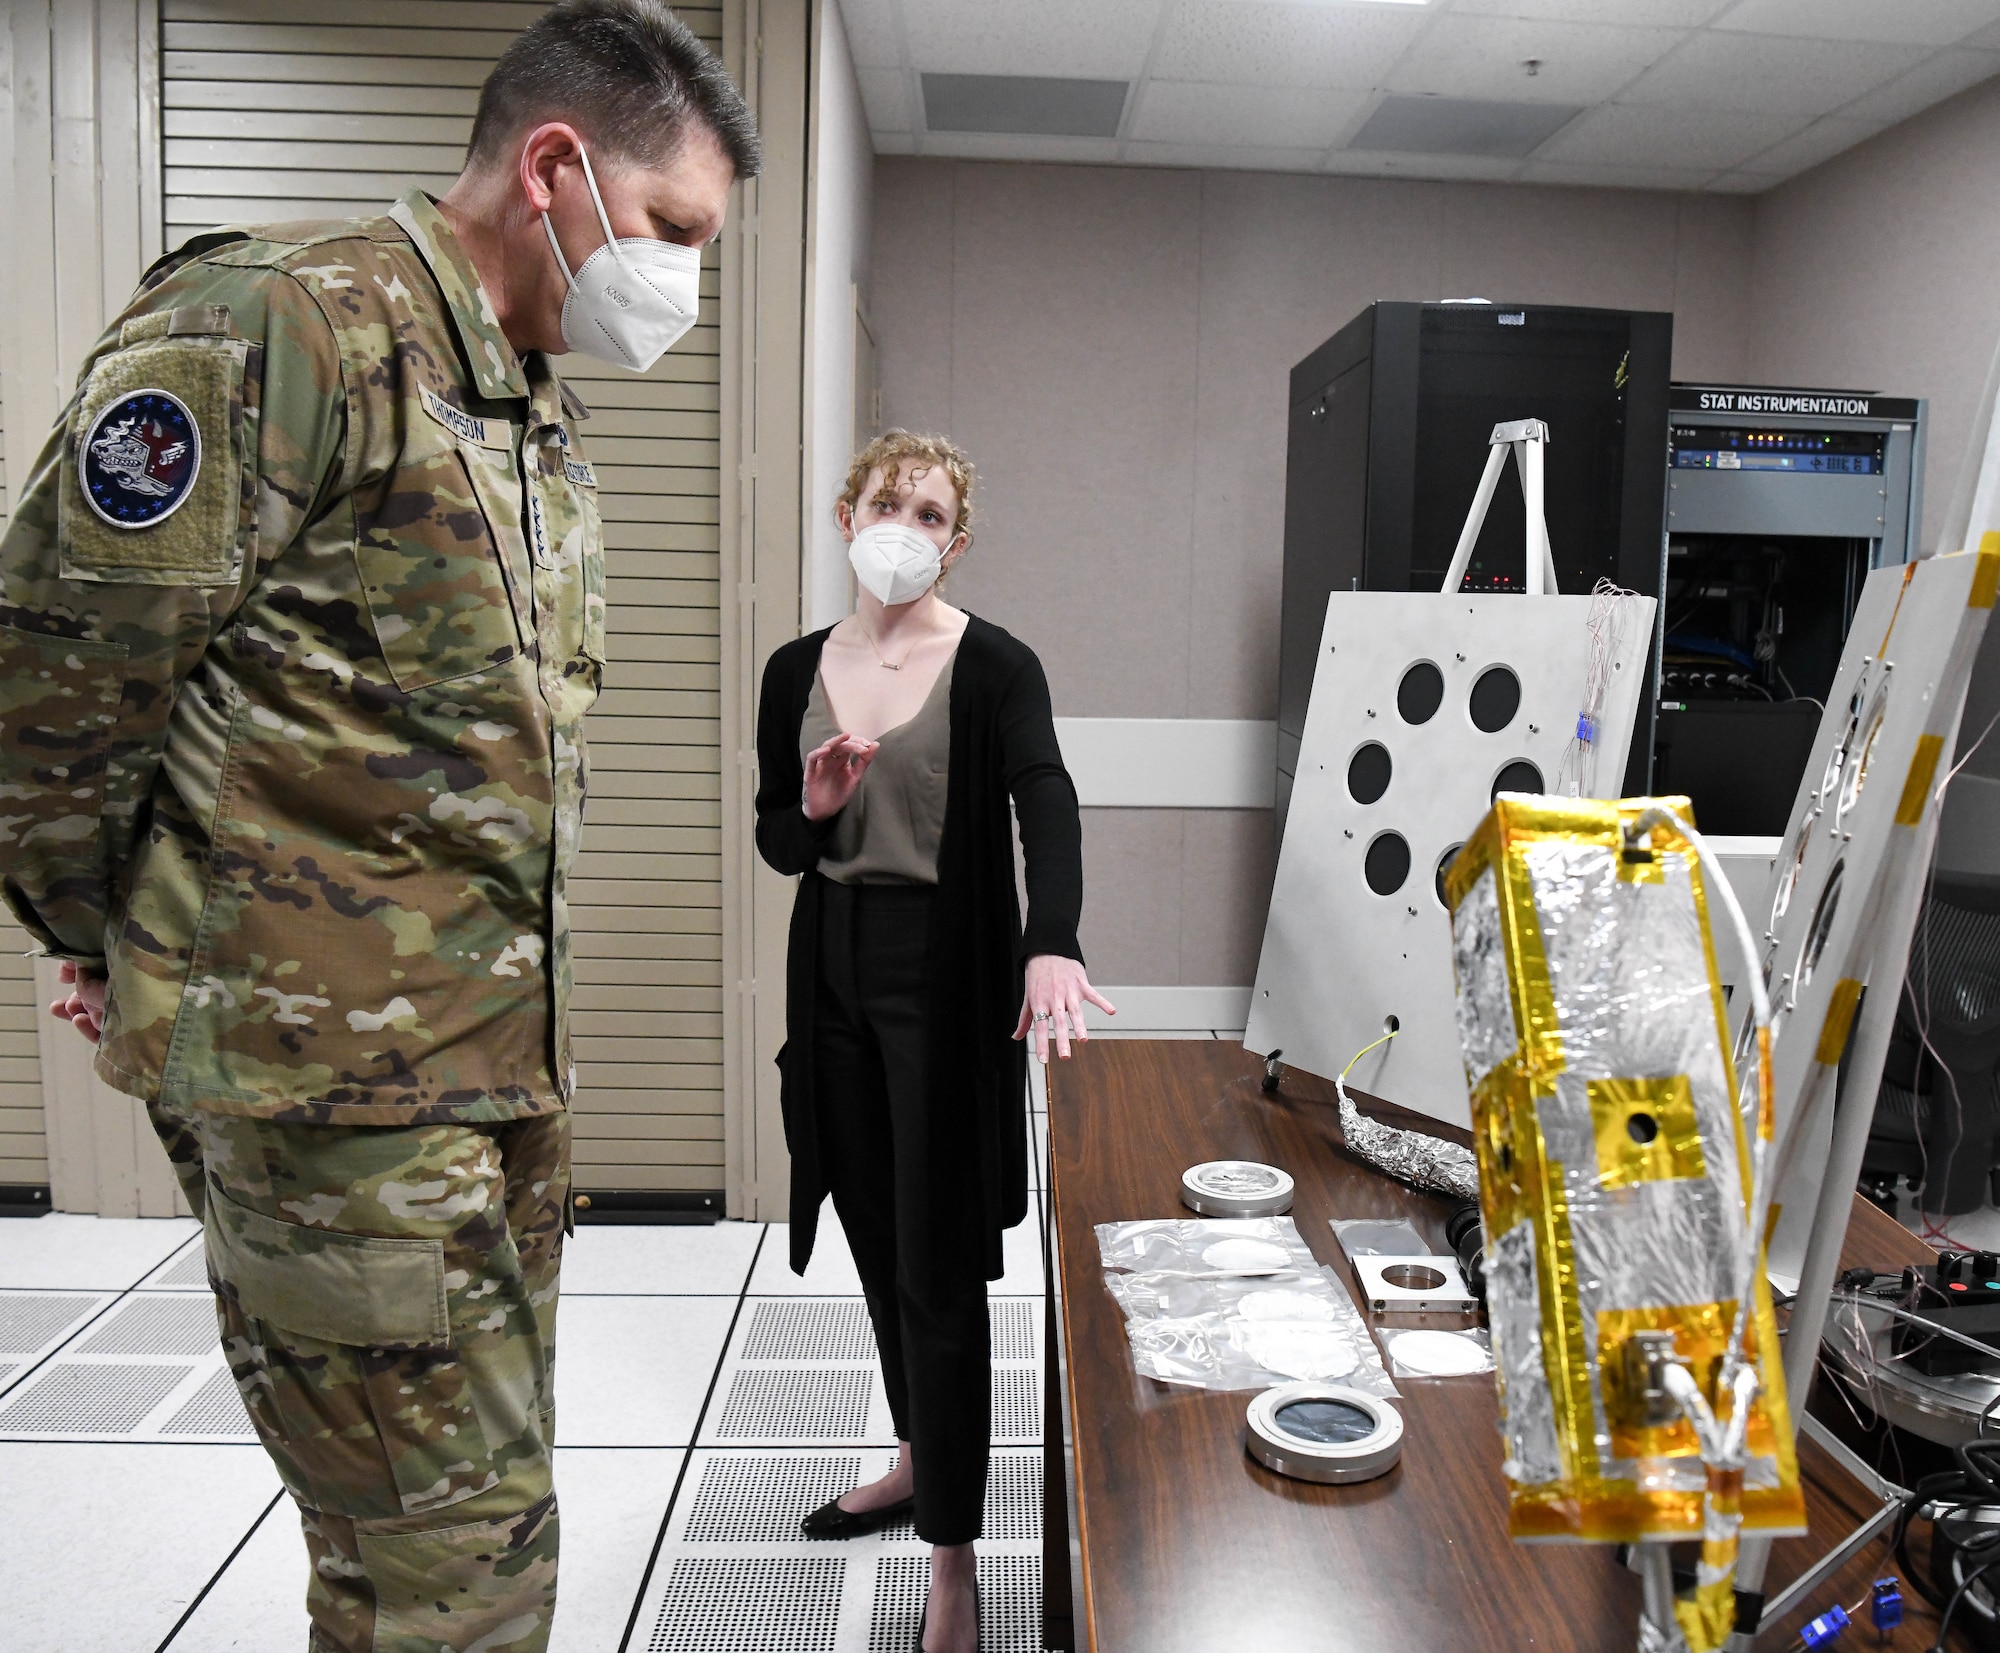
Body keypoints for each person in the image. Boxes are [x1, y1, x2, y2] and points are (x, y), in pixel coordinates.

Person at [1, 4, 758, 1648]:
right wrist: (110, 928)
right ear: (559, 167)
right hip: (333, 1098)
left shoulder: (525, 401)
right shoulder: (283, 330)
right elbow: (56, 690)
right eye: (682, 233)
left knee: (392, 1559)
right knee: (467, 1587)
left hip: (488, 1079)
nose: (687, 284)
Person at [754, 432, 1114, 1653]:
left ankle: (952, 1555)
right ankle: (917, 1457)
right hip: (833, 983)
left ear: (955, 541)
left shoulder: (995, 666)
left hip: (944, 980)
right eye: (886, 500)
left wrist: (1048, 940)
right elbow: (779, 842)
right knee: (871, 1237)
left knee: (939, 1263)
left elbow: (1046, 800)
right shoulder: (794, 669)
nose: (903, 522)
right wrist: (808, 811)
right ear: (845, 511)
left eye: (930, 510)